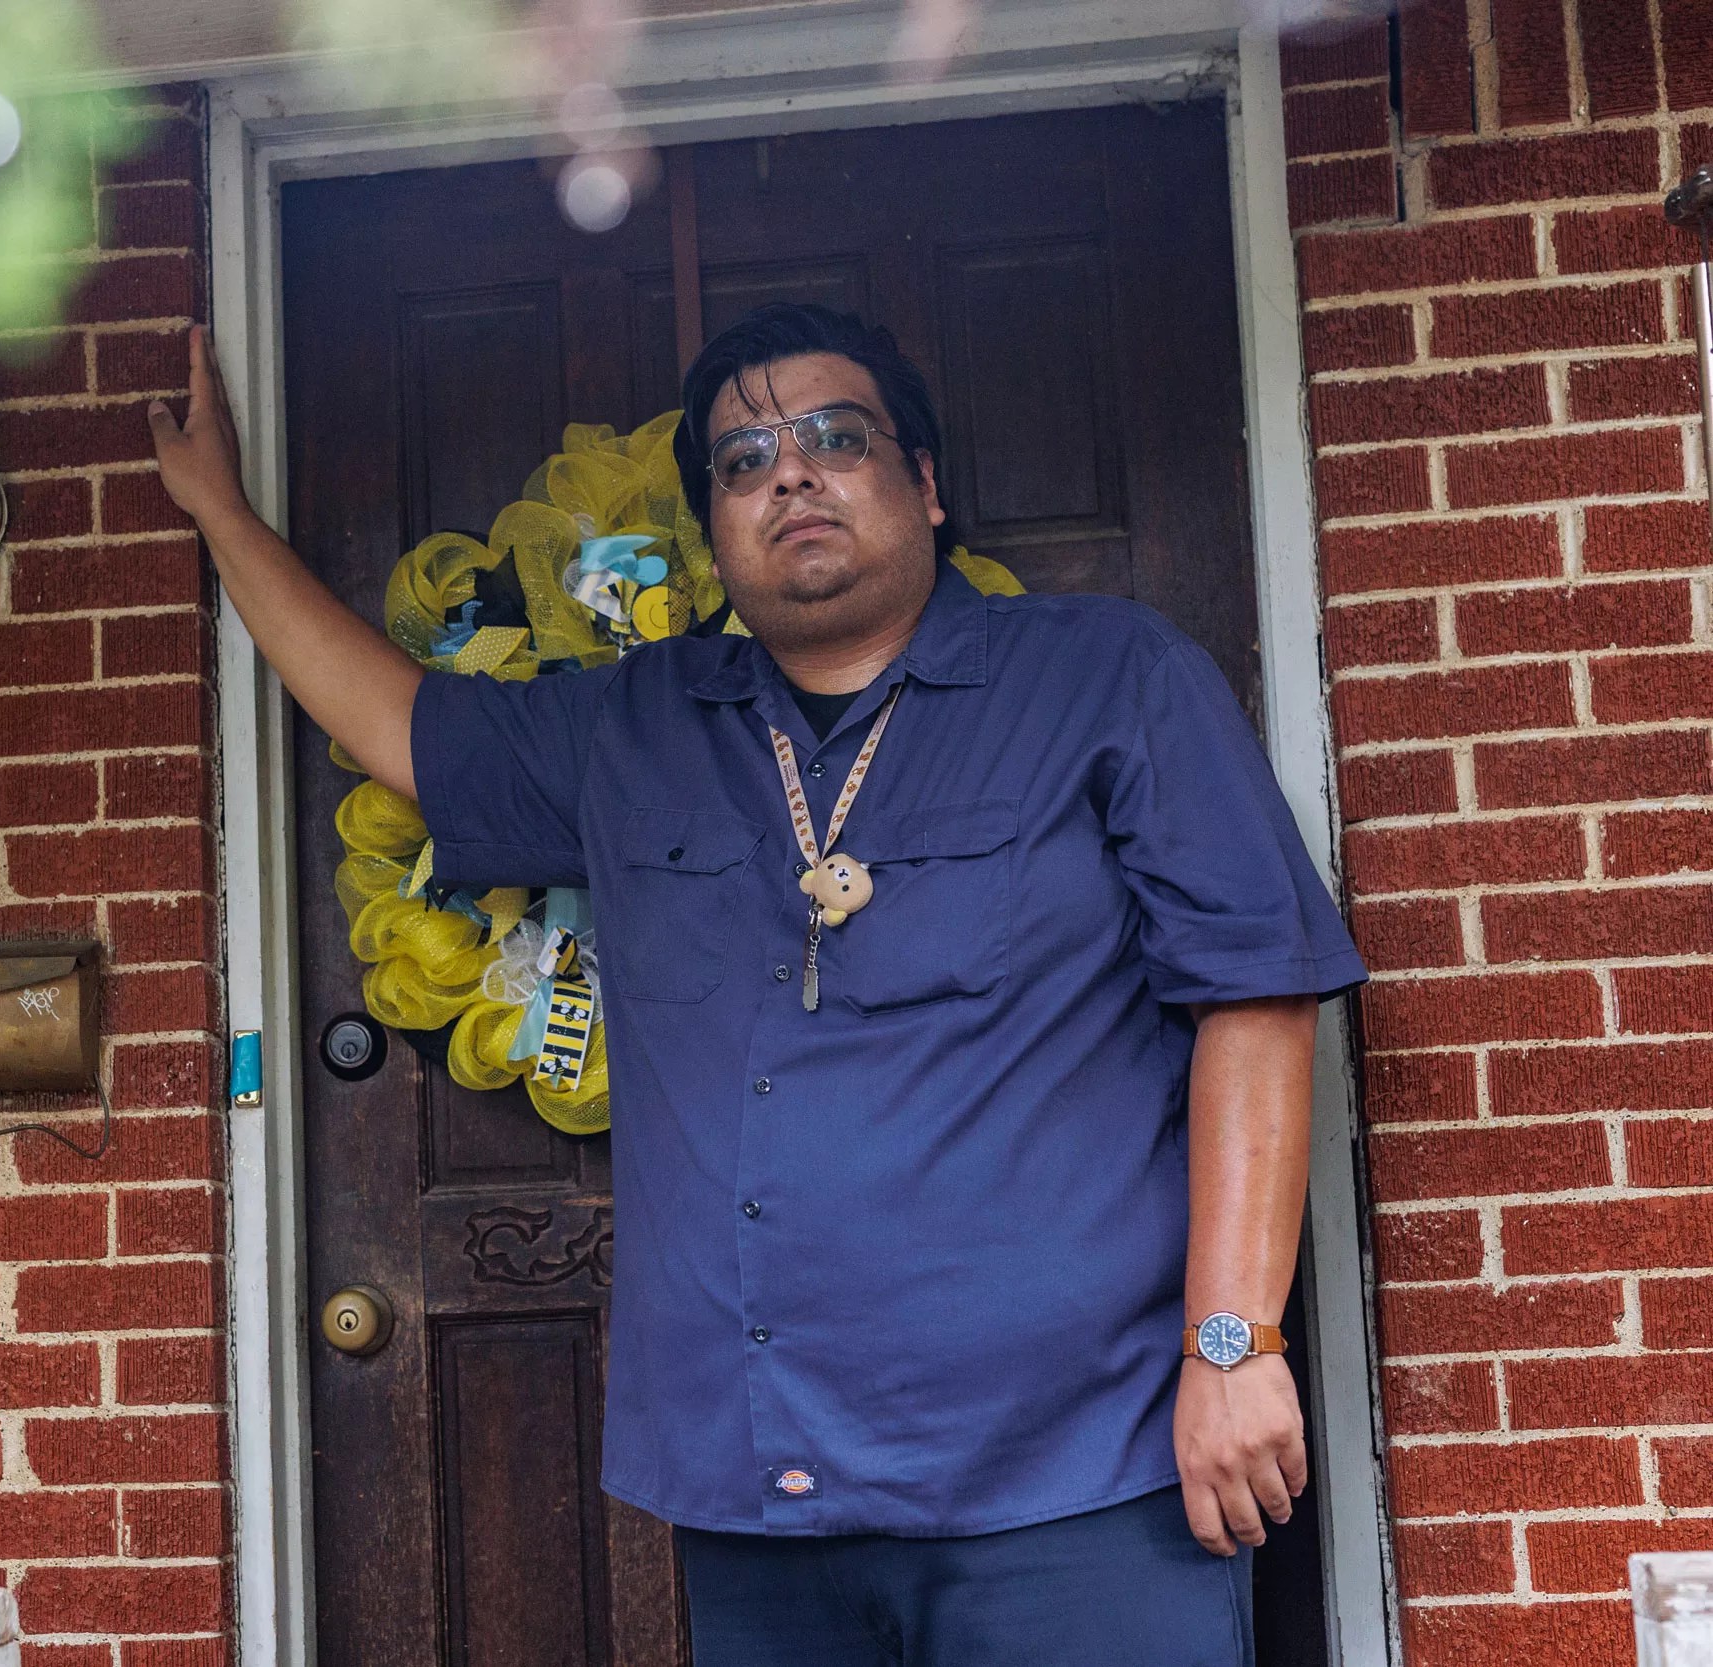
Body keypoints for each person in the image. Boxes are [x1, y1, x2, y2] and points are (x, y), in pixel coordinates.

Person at [150, 301, 1366, 1667]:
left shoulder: (1109, 678)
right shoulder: (640, 726)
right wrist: (218, 513)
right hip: (768, 1496)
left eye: (835, 438)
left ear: (924, 484)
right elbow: (392, 723)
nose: (789, 473)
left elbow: (1255, 993)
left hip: (1082, 1475)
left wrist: (1232, 1345)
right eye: (741, 461)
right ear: (718, 534)